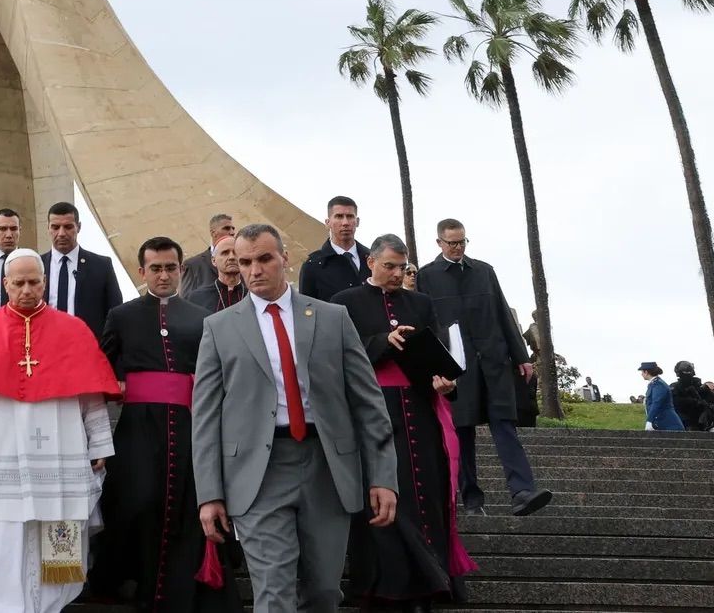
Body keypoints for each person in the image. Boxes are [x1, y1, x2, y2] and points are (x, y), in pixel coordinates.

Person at [193, 223, 398, 613]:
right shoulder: (219, 328)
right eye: (245, 261)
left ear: (285, 259)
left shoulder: (333, 318)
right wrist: (209, 494)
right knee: (273, 591)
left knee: (323, 591)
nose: (255, 270)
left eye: (265, 259)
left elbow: (369, 403)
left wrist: (383, 477)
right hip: (256, 473)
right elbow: (205, 416)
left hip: (327, 466)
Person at [0, 248, 121, 612]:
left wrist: (98, 443)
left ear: (45, 282)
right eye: (18, 282)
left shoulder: (74, 331)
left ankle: (51, 605)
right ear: (5, 284)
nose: (27, 289)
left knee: (60, 539)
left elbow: (91, 396)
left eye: (34, 281)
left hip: (60, 461)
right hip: (1, 459)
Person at [95, 237, 241, 613]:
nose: (163, 275)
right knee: (136, 500)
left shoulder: (201, 318)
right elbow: (99, 367)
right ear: (142, 272)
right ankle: (130, 581)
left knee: (185, 509)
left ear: (182, 270)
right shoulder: (121, 316)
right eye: (155, 268)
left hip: (191, 426)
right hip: (137, 429)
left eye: (170, 268)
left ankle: (178, 589)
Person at [334, 234, 475, 610]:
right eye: (389, 266)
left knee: (426, 490)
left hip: (419, 407)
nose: (397, 274)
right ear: (371, 263)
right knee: (382, 496)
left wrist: (445, 382)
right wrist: (383, 341)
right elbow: (335, 357)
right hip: (371, 408)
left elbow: (438, 351)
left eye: (402, 267)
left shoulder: (421, 303)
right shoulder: (343, 303)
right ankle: (386, 582)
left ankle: (432, 577)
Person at [416, 219, 552, 517]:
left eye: (463, 241)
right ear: (439, 242)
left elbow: (503, 313)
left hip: (493, 362)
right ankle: (472, 501)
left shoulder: (484, 271)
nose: (458, 247)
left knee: (505, 426)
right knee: (462, 433)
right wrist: (432, 369)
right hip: (456, 369)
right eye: (452, 242)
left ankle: (522, 491)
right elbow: (427, 325)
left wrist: (521, 356)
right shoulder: (427, 277)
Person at [42, 201, 123, 339]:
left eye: (68, 227)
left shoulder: (101, 266)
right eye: (55, 227)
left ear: (78, 227)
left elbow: (116, 313)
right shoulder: (36, 266)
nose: (61, 233)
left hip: (87, 347)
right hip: (46, 347)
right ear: (48, 228)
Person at [298, 196, 371, 301]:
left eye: (350, 216)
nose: (345, 223)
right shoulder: (313, 265)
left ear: (357, 221)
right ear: (328, 223)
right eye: (339, 216)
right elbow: (307, 307)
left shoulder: (373, 260)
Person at [178, 213, 235, 301]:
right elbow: (185, 302)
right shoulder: (193, 265)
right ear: (213, 233)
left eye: (233, 228)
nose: (232, 232)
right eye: (226, 228)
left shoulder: (242, 259)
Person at [187, 235, 247, 314]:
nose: (232, 257)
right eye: (225, 253)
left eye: (236, 252)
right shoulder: (197, 297)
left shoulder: (253, 296)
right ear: (213, 260)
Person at [669, 362, 714, 432]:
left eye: (688, 372)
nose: (686, 375)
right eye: (684, 372)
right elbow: (674, 401)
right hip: (682, 421)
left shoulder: (699, 385)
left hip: (700, 422)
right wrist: (693, 401)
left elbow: (713, 399)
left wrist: (703, 401)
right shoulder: (675, 387)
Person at [639, 362, 684, 430]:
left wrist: (649, 421)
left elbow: (657, 403)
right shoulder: (654, 384)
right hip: (662, 424)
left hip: (669, 425)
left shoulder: (659, 385)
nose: (641, 374)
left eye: (642, 371)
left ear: (646, 372)